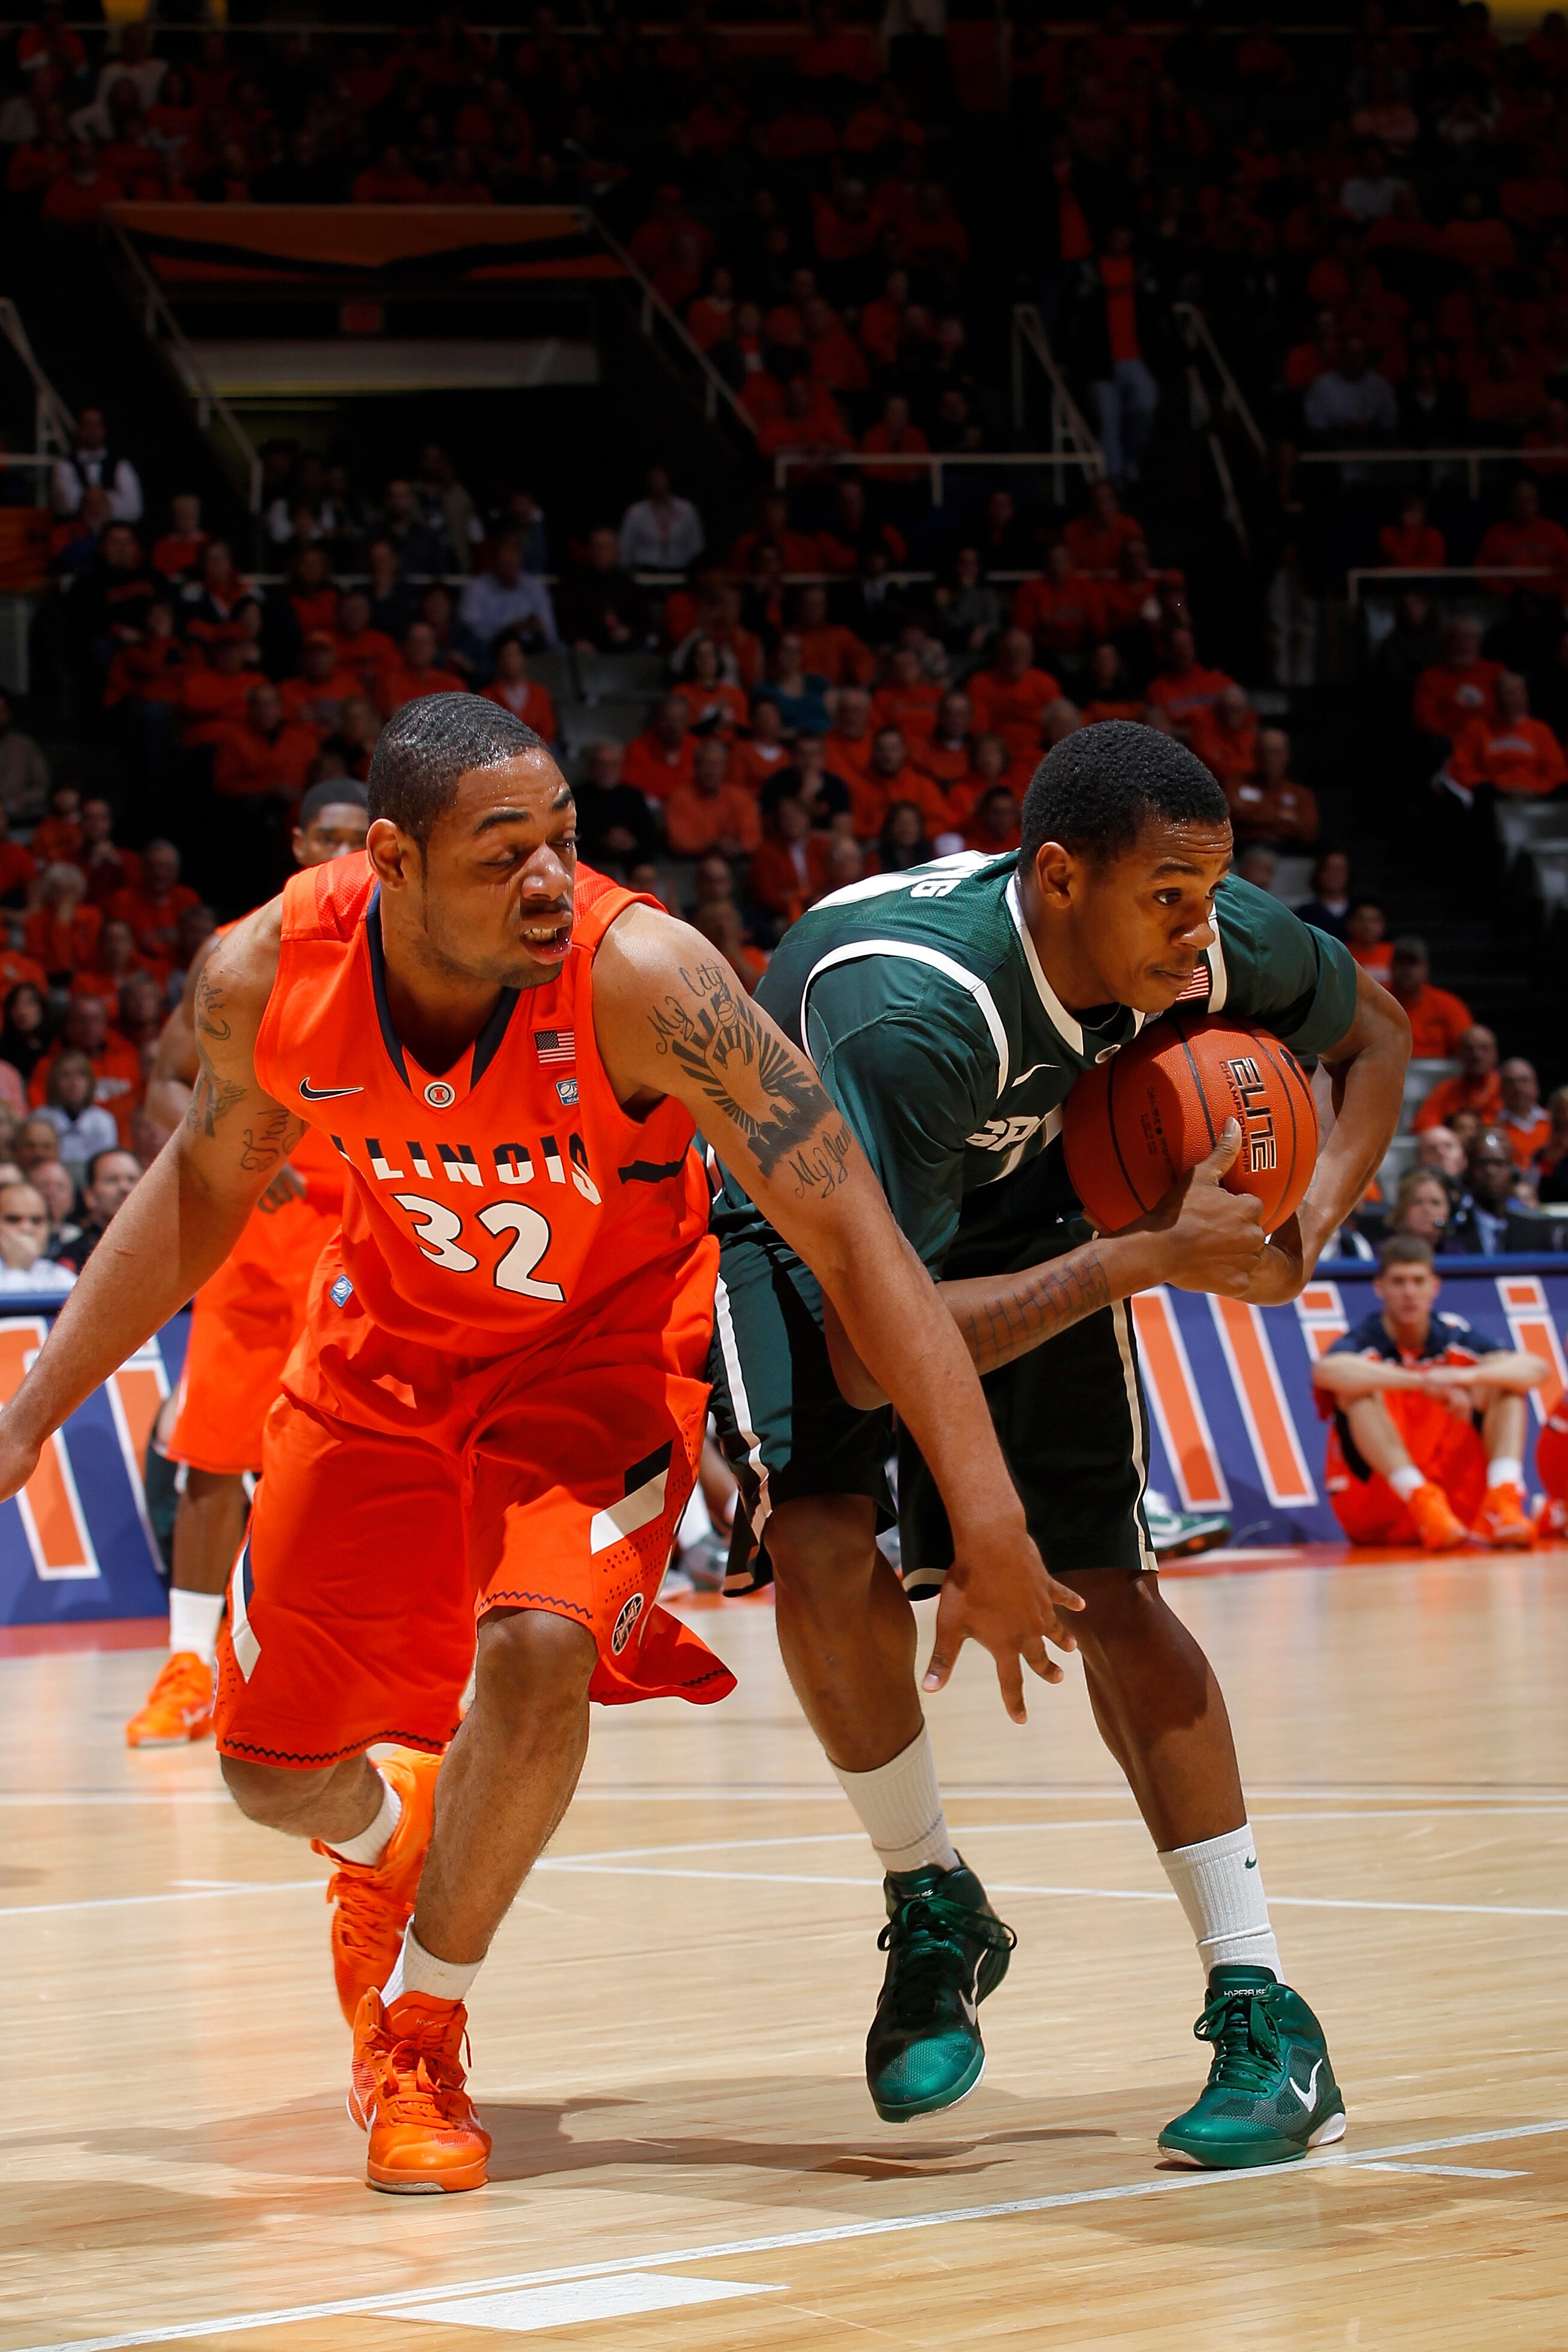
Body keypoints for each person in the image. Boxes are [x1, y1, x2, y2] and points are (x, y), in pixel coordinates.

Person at [0, 693, 1061, 2196]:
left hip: (595, 1362)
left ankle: (420, 2033)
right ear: (391, 860)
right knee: (270, 1774)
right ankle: (390, 1838)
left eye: (561, 837)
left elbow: (854, 1237)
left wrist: (985, 1509)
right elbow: (198, 1190)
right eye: (505, 854)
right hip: (381, 1363)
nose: (551, 877)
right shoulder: (265, 972)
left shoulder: (647, 979)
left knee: (541, 1645)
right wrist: (29, 1415)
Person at [707, 720, 1408, 2166]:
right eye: (1169, 896)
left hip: (1024, 1212)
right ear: (1059, 879)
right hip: (807, 1222)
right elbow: (873, 1346)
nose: (1198, 928)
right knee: (821, 1542)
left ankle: (1264, 2007)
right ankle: (931, 1896)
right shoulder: (912, 1013)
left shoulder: (1199, 936)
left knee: (1110, 1592)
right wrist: (1129, 1268)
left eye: (1209, 891)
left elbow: (1377, 1035)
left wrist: (1299, 1237)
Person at [125, 784, 373, 1752]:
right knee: (215, 1456)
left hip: (374, 1225)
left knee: (371, 1462)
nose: (342, 851)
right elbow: (163, 1082)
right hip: (261, 1235)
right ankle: (189, 1664)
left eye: (358, 839)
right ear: (300, 842)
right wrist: (235, 1153)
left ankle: (349, 1662)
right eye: (328, 837)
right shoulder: (241, 947)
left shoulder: (412, 951)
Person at [1312, 1235, 1544, 1550]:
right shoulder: (1363, 1341)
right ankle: (1418, 1496)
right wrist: (1424, 1382)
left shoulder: (1455, 1336)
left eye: (1418, 1281)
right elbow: (1325, 1372)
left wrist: (1463, 1377)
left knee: (1506, 1383)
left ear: (1435, 1286)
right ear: (1379, 1287)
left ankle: (1503, 1499)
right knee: (1356, 1389)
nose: (1409, 1292)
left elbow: (1536, 1368)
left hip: (1451, 1511)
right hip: (1379, 1511)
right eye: (1398, 1282)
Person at [53, 1145, 141, 1273]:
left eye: (132, 1180)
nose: (124, 1188)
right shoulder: (74, 1255)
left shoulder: (164, 1246)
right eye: (112, 1180)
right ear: (89, 1196)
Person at [1385, 936, 1472, 1059]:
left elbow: (1468, 1047)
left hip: (1437, 1070)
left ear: (1426, 969)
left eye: (1413, 963)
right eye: (1401, 963)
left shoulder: (1447, 1005)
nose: (1407, 969)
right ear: (1391, 968)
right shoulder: (1376, 1002)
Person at [1447, 1127, 1525, 1254]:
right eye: (1482, 1164)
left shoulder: (1531, 1226)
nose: (1491, 1171)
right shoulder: (1453, 1227)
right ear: (1468, 1173)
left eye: (1499, 1163)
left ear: (1513, 1173)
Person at [1413, 1024, 1501, 1130]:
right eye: (1469, 1049)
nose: (1477, 1055)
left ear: (1495, 1053)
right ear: (1459, 1054)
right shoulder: (1446, 1089)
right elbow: (1423, 1125)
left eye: (1484, 1048)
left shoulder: (1507, 1087)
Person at [0, 1176, 74, 1293]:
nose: (26, 1229)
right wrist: (17, 1269)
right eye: (13, 1220)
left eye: (37, 1221)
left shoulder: (63, 1279)